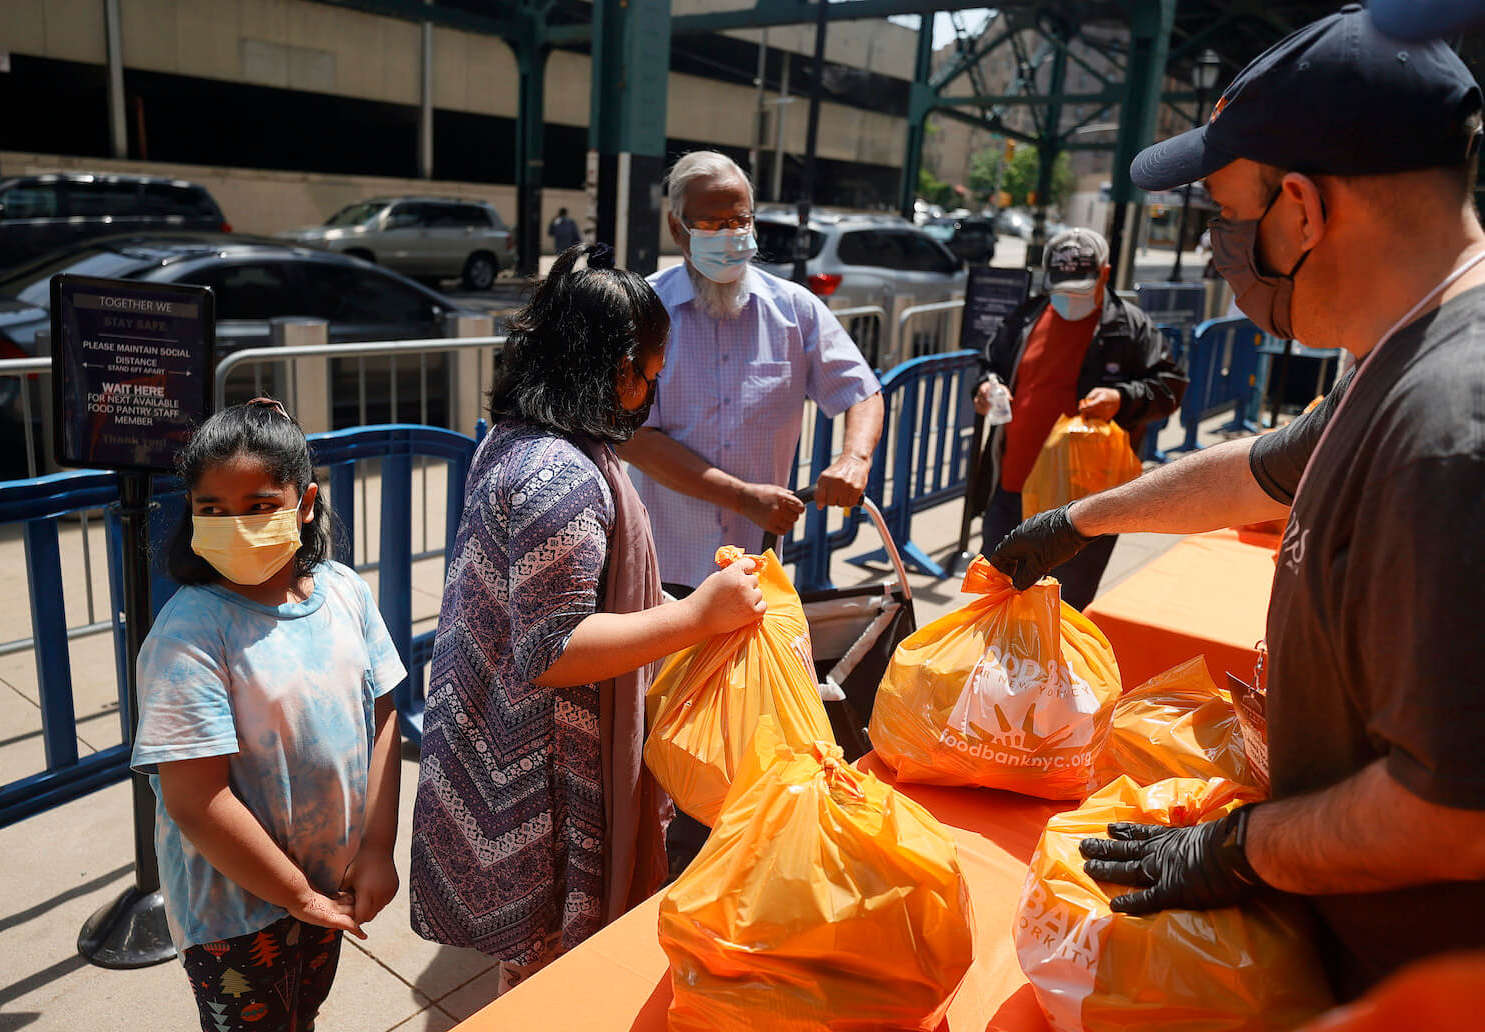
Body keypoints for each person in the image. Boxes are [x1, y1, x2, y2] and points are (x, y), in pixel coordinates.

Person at [992, 6, 1485, 999]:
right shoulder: (1399, 364)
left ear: (1301, 210)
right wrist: (1081, 519)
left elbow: (1453, 813)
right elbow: (1259, 467)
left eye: (1226, 210)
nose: (1220, 244)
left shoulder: (1447, 437)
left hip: (1416, 986)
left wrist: (1238, 848)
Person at [408, 242, 765, 991]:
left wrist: (674, 611)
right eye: (647, 379)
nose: (646, 400)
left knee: (535, 969)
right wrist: (698, 616)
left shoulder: (521, 440)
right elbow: (556, 647)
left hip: (509, 750)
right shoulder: (559, 476)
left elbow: (575, 600)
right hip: (541, 775)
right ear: (610, 368)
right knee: (548, 977)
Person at [131, 398, 405, 1031]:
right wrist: (297, 894)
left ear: (304, 504)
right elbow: (197, 801)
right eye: (214, 511)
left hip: (328, 887)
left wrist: (376, 845)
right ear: (192, 517)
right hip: (233, 913)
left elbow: (384, 714)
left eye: (259, 506)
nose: (239, 525)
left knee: (302, 1015)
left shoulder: (345, 592)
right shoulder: (188, 636)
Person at [618, 150, 885, 595]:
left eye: (740, 221)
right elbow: (635, 438)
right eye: (710, 224)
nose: (729, 235)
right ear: (675, 227)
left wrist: (854, 458)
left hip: (757, 568)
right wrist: (742, 498)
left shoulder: (793, 310)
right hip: (663, 566)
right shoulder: (644, 310)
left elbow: (862, 391)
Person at [969, 227, 1186, 609]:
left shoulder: (1129, 327)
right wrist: (987, 387)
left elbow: (1169, 386)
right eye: (1062, 286)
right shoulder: (1026, 318)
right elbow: (990, 364)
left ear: (1104, 274)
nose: (1070, 297)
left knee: (1060, 613)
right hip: (1011, 490)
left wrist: (1122, 398)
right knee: (994, 603)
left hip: (1082, 506)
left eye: (1081, 287)